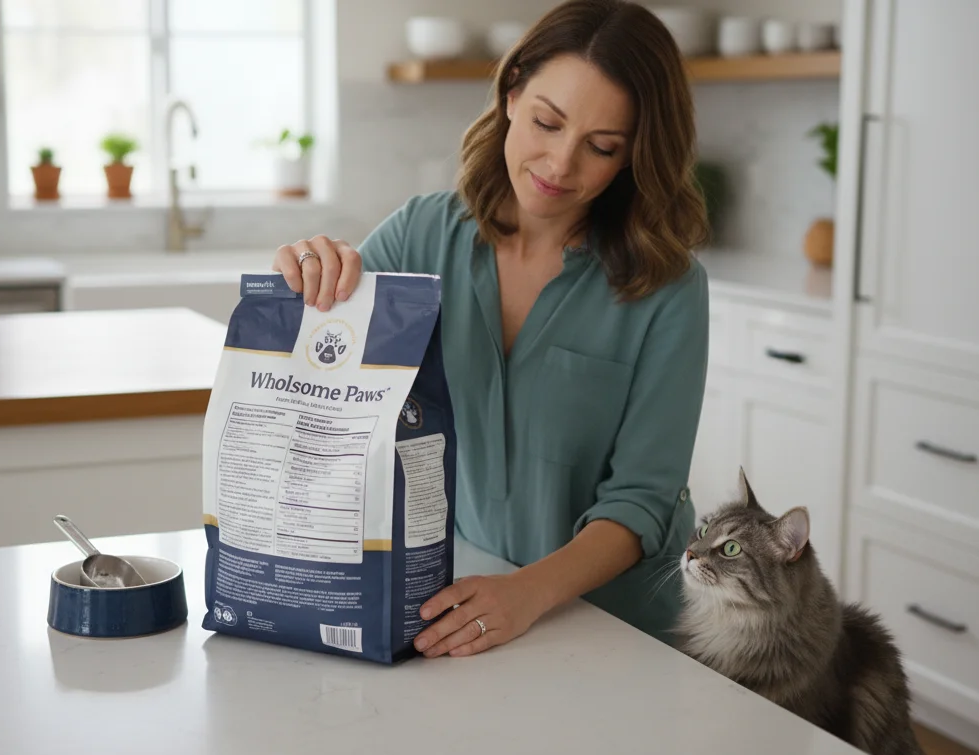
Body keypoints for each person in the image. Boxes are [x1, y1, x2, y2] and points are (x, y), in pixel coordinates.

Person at [271, 0, 709, 657]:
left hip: (623, 627)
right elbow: (315, 375)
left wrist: (528, 594)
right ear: (512, 93)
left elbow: (641, 500)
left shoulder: (669, 287)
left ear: (633, 156)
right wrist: (305, 279)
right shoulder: (422, 235)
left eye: (602, 147)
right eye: (547, 122)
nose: (561, 165)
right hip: (475, 590)